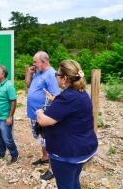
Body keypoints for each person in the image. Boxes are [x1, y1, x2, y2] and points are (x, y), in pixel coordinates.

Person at [36, 60, 98, 189]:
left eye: (57, 75)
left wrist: (39, 112)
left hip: (68, 154)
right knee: (73, 182)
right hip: (83, 149)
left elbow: (44, 121)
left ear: (64, 78)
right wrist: (55, 99)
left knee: (65, 185)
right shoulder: (80, 93)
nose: (56, 77)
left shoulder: (67, 97)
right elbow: (70, 109)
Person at [25, 51, 60, 180]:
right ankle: (45, 157)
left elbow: (55, 96)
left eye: (35, 62)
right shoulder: (38, 72)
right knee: (41, 138)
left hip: (44, 115)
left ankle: (52, 169)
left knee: (49, 140)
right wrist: (29, 73)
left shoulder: (51, 74)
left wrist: (49, 114)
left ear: (44, 61)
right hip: (35, 113)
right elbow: (28, 85)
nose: (33, 64)